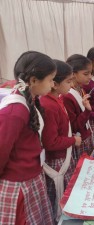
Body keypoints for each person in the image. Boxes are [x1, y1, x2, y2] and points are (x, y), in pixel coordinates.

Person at [0, 51, 56, 225]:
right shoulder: (15, 111)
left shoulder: (29, 99)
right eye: (50, 79)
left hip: (30, 178)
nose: (53, 84)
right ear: (33, 81)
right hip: (17, 185)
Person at [40, 60, 82, 221]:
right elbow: (50, 142)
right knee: (58, 204)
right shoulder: (49, 106)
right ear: (54, 84)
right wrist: (73, 140)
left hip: (63, 157)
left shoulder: (57, 100)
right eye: (68, 81)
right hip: (57, 162)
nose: (71, 85)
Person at [63, 54, 94, 164]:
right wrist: (87, 111)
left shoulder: (80, 89)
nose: (90, 77)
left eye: (91, 73)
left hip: (85, 136)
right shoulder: (67, 96)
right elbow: (74, 126)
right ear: (73, 74)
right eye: (86, 74)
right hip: (79, 140)